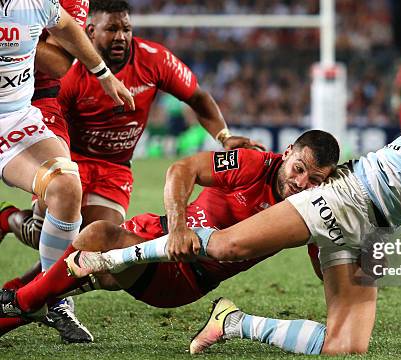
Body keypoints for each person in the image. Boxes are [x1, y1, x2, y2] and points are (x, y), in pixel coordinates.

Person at [39, 59, 401, 356]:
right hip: (347, 199)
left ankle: (235, 322)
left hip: (371, 223)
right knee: (231, 244)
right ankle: (111, 258)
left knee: (346, 346)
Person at [0, 0, 261, 337]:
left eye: (126, 28)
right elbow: (52, 109)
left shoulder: (153, 59)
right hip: (73, 153)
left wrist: (224, 136)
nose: (121, 36)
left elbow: (197, 96)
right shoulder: (67, 74)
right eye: (112, 29)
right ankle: (11, 224)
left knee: (96, 243)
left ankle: (34, 294)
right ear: (90, 32)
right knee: (50, 224)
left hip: (114, 169)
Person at [0, 130, 339, 340]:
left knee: (98, 236)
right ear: (289, 151)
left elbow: (324, 265)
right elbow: (182, 169)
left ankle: (23, 302)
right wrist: (178, 227)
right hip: (156, 231)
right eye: (298, 170)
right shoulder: (254, 164)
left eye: (314, 179)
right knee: (72, 270)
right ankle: (21, 299)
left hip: (182, 275)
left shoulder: (311, 209)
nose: (301, 184)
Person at [0, 0, 134, 341]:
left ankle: (51, 296)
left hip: (16, 116)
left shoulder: (34, 1)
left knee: (65, 187)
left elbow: (63, 26)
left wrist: (102, 73)